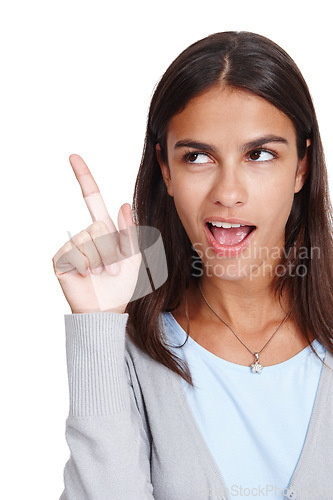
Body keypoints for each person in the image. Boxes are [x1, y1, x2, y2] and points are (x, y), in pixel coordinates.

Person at [53, 31, 333, 500]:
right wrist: (99, 325)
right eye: (198, 156)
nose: (227, 192)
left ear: (302, 166)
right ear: (165, 168)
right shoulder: (132, 352)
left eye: (259, 154)